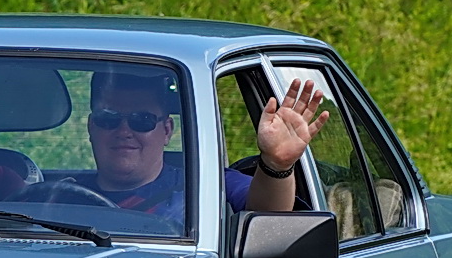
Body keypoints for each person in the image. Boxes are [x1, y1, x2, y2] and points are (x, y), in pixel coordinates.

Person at [74, 70, 330, 220]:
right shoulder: (52, 198)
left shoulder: (210, 188)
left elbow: (269, 217)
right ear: (91, 127)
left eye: (142, 120)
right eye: (108, 119)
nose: (124, 131)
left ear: (167, 131)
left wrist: (276, 164)